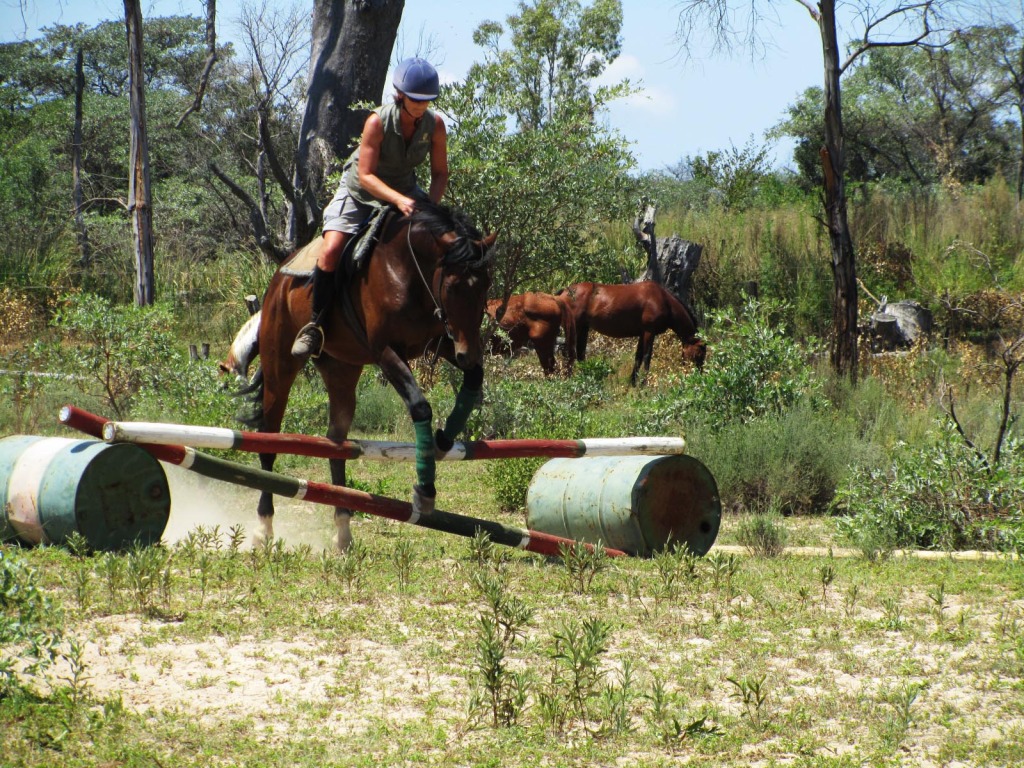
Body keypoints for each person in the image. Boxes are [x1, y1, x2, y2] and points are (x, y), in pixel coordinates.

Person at [291, 57, 450, 359]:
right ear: (400, 94)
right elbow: (366, 175)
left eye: (427, 100)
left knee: (442, 241)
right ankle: (315, 326)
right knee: (331, 251)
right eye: (415, 99)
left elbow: (440, 174)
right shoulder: (376, 122)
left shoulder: (436, 126)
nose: (420, 105)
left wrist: (432, 208)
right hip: (361, 190)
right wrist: (400, 201)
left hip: (405, 188)